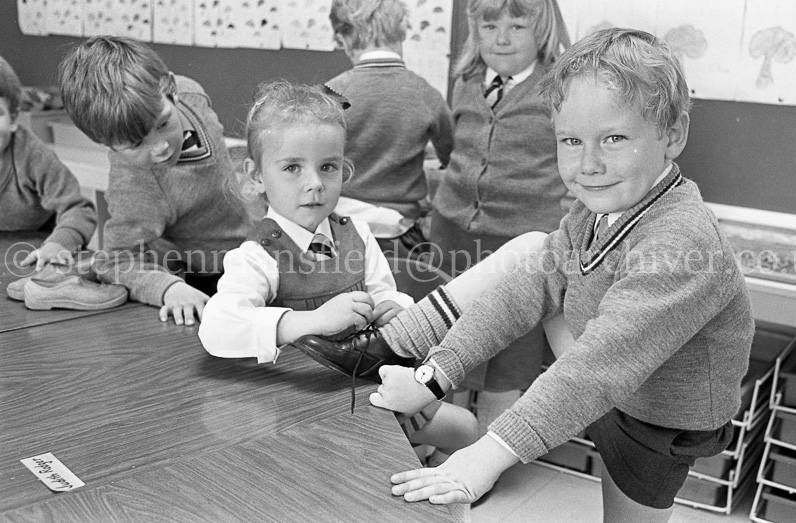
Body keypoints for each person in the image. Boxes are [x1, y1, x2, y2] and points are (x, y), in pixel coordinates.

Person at [294, 28, 755, 522]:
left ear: (674, 135)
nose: (589, 164)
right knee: (532, 256)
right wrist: (433, 377)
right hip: (603, 374)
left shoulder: (682, 243)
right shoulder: (598, 206)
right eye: (571, 141)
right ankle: (395, 345)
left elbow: (597, 367)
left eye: (614, 139)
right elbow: (519, 294)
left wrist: (485, 457)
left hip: (656, 418)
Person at [198, 80, 478, 458]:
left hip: (371, 388)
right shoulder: (257, 256)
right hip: (301, 410)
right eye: (292, 168)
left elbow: (385, 291)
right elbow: (216, 328)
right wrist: (309, 322)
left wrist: (395, 308)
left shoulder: (357, 232)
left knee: (467, 429)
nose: (314, 184)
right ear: (256, 176)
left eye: (327, 167)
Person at [428, 0, 572, 434]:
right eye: (490, 26)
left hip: (521, 242)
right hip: (452, 235)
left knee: (511, 348)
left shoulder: (561, 89)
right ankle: (439, 438)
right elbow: (455, 149)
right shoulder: (467, 81)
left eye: (517, 26)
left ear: (541, 29)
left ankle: (490, 448)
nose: (502, 39)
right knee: (446, 339)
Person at [57, 36, 260, 326]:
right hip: (210, 278)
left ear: (171, 90)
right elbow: (114, 261)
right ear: (104, 142)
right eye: (136, 144)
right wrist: (169, 289)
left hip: (253, 241)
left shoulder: (190, 93)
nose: (161, 147)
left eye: (164, 123)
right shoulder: (134, 184)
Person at [326, 0, 454, 255]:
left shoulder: (330, 94)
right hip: (402, 234)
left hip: (338, 230)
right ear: (403, 30)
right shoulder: (426, 94)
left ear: (342, 39)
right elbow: (452, 157)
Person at [0, 55, 96, 272]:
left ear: (13, 118)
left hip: (37, 253)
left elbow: (78, 209)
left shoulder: (34, 156)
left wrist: (59, 244)